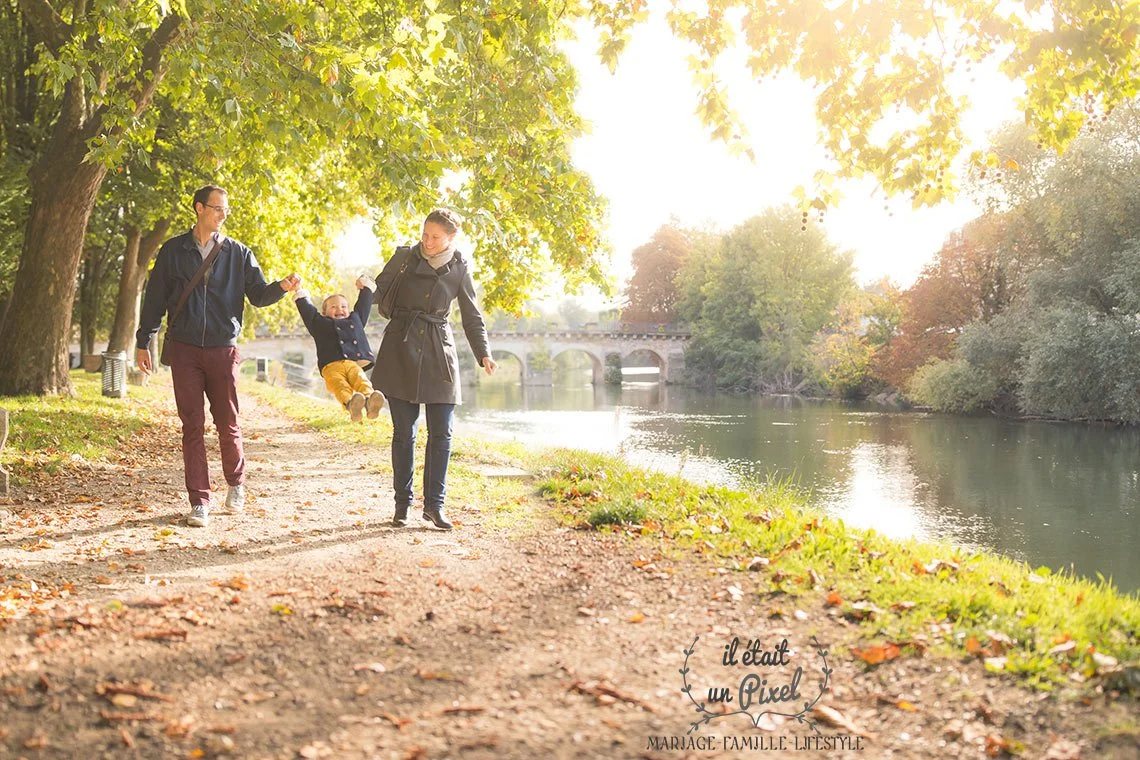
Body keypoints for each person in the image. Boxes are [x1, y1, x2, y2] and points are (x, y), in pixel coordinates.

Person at [136, 185, 301, 528]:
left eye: (226, 209)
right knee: (192, 426)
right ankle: (199, 501)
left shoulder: (238, 252)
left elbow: (258, 295)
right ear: (199, 208)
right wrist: (143, 340)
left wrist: (281, 288)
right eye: (217, 208)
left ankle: (236, 484)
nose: (223, 214)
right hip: (184, 349)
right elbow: (155, 298)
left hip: (223, 348)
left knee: (228, 422)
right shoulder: (173, 251)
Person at [371, 209, 497, 530]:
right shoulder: (403, 257)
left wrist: (483, 353)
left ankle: (434, 507)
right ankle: (402, 505)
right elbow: (378, 291)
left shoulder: (460, 268)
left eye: (435, 237)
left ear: (451, 238)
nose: (427, 242)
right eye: (425, 234)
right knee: (404, 433)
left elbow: (472, 316)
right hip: (400, 349)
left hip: (440, 353)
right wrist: (364, 288)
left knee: (442, 434)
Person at [293, 276, 385, 422]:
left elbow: (363, 305)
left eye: (343, 306)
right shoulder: (319, 323)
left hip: (352, 363)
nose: (339, 309)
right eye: (333, 307)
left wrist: (366, 288)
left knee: (361, 380)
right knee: (339, 385)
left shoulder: (356, 319)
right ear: (324, 312)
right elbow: (307, 310)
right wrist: (299, 290)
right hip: (331, 366)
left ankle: (370, 401)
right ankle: (351, 404)